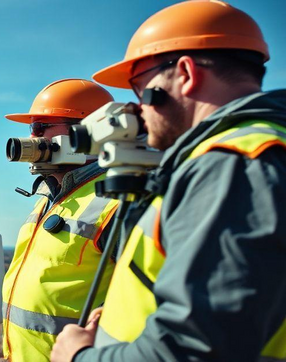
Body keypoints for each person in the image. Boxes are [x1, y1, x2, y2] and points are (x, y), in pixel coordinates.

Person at [51, 1, 286, 361]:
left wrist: (79, 356)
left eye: (139, 87)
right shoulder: (252, 152)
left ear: (186, 73)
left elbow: (197, 348)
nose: (138, 109)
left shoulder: (233, 165)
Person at [2, 79, 120, 361]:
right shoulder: (47, 197)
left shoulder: (118, 200)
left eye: (41, 127)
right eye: (32, 128)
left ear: (88, 131)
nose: (33, 137)